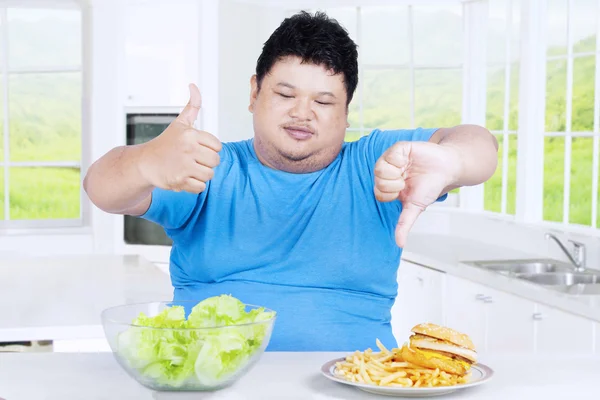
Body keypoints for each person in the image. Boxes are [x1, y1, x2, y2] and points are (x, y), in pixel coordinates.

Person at [84, 11, 498, 352]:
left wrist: (450, 160)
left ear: (347, 112)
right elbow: (100, 188)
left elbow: (480, 145)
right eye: (285, 95)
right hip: (208, 384)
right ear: (254, 93)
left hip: (355, 385)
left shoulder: (377, 164)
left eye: (323, 101)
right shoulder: (208, 167)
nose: (303, 113)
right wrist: (143, 162)